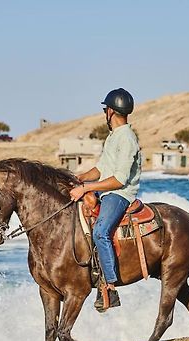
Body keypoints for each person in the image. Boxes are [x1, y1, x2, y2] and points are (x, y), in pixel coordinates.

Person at [69, 88, 141, 311]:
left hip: (119, 195)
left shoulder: (127, 138)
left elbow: (119, 179)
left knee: (100, 230)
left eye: (104, 110)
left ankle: (110, 286)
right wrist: (78, 178)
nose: (104, 113)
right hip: (106, 191)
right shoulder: (113, 137)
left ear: (110, 111)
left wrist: (87, 188)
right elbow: (101, 169)